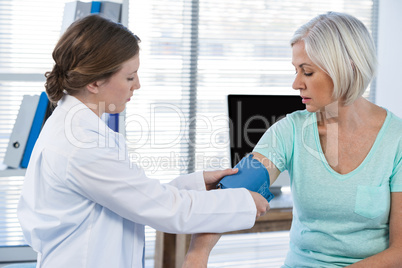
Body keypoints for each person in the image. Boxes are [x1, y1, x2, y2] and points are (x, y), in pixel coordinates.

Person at [17, 15, 270, 268]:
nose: (137, 85)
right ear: (94, 82)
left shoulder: (76, 127)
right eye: (130, 77)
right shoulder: (81, 144)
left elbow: (133, 197)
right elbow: (163, 209)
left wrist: (195, 184)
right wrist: (244, 201)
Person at [183, 11, 402, 267]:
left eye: (307, 72)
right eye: (296, 70)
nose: (296, 83)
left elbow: (399, 251)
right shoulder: (290, 131)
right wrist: (197, 255)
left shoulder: (396, 140)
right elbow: (237, 189)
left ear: (347, 68)